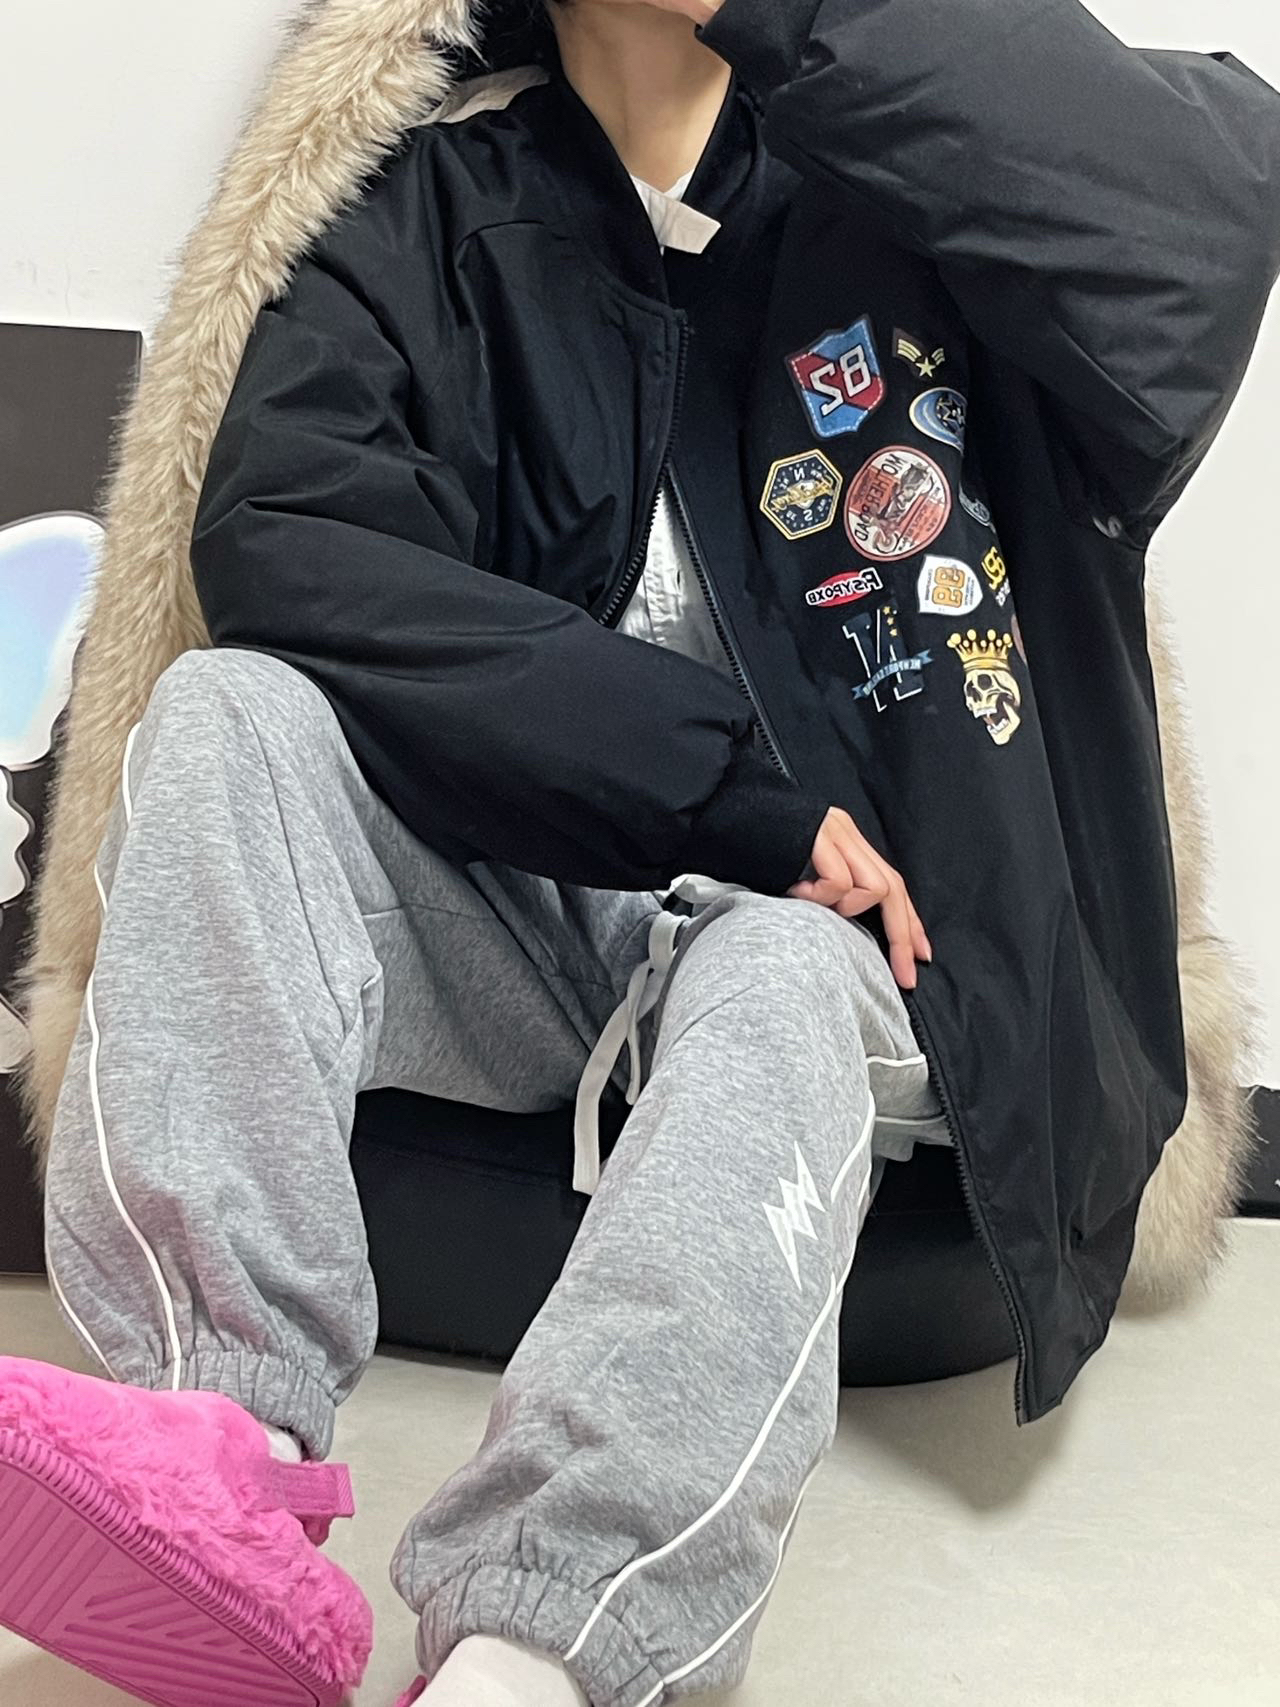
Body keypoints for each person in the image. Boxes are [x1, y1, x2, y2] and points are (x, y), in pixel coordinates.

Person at [2, 1, 1278, 1704]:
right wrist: (726, 790)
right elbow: (288, 534)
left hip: (866, 946)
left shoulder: (934, 206)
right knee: (228, 712)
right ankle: (218, 1451)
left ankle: (541, 1641)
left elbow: (1215, 203)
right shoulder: (444, 202)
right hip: (544, 911)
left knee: (781, 967)